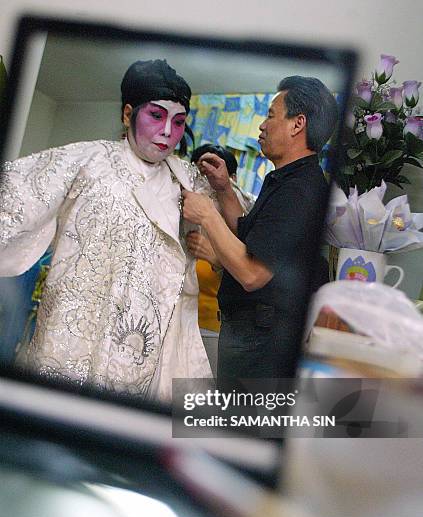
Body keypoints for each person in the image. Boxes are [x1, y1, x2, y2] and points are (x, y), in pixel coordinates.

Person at [0, 59, 213, 400]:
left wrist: (224, 194)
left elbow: (242, 226)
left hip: (136, 340)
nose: (167, 132)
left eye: (178, 122)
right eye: (156, 116)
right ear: (128, 114)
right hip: (72, 329)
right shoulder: (87, 160)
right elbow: (17, 193)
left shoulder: (186, 182)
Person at [182, 76, 338, 380]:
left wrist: (207, 216)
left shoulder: (300, 190)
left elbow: (253, 273)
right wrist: (224, 189)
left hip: (261, 346)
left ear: (298, 124)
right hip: (251, 336)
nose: (262, 125)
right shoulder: (286, 180)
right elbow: (250, 236)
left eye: (270, 115)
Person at [188, 144, 253, 377]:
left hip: (216, 328)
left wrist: (216, 258)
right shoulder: (180, 211)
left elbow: (251, 275)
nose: (206, 185)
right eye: (199, 175)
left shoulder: (240, 218)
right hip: (178, 323)